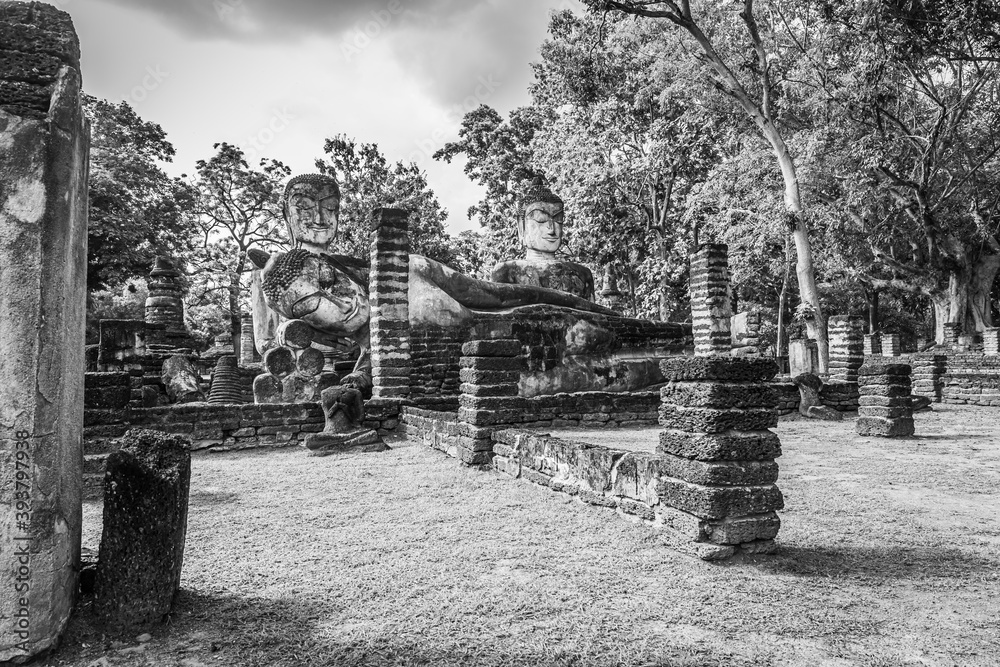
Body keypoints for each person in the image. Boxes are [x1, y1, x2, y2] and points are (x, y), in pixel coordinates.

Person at [491, 177, 596, 301]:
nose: (551, 229)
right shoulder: (507, 272)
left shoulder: (582, 274)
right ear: (521, 226)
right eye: (541, 220)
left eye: (558, 220)